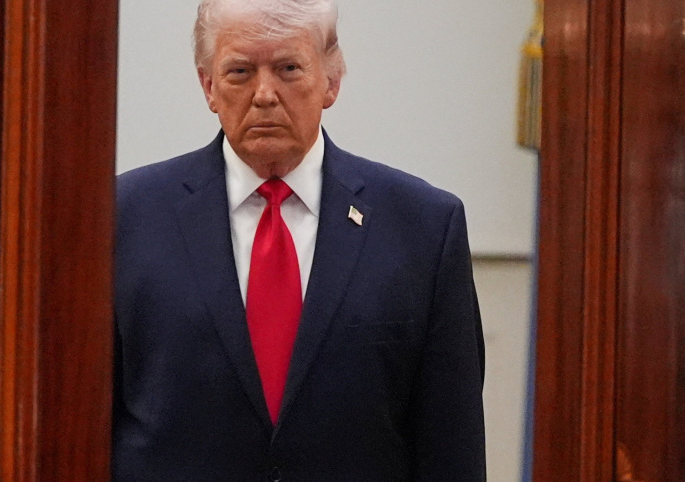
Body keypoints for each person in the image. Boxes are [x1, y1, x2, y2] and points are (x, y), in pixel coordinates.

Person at [114, 0, 486, 480]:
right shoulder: (126, 218)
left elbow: (451, 445)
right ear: (208, 86)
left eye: (289, 68)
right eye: (240, 71)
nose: (265, 94)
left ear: (331, 80)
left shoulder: (424, 228)